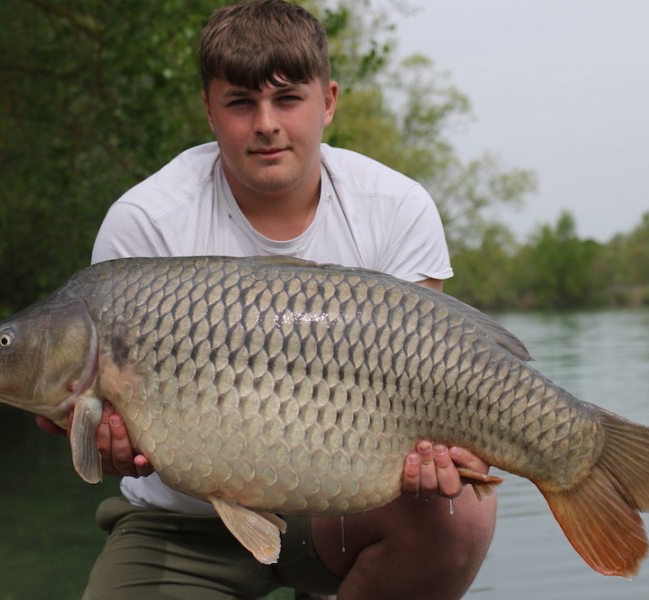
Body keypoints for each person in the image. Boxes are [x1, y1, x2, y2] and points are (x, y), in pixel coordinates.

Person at [40, 1, 497, 598]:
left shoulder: (395, 206)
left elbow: (429, 376)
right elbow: (90, 429)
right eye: (239, 102)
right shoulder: (145, 223)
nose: (266, 123)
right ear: (208, 108)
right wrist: (105, 444)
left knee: (458, 514)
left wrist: (445, 455)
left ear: (328, 101)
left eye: (287, 99)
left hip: (340, 510)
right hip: (183, 521)